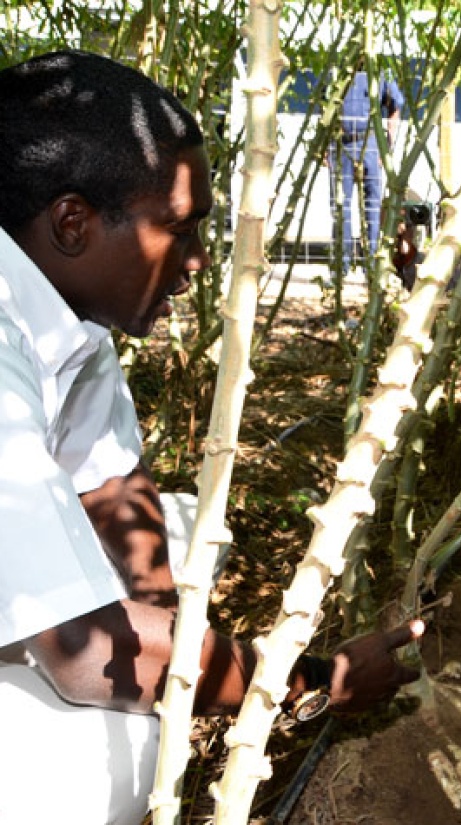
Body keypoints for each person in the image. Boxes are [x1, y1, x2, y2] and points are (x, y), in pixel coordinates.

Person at [0, 50, 420, 824]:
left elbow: (135, 537)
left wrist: (195, 667)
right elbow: (93, 650)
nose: (197, 263)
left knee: (191, 535)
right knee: (106, 747)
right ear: (72, 223)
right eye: (179, 230)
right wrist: (305, 679)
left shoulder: (75, 334)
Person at [329, 68, 403, 270]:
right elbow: (324, 109)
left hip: (371, 142)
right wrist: (325, 147)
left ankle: (371, 263)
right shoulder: (337, 71)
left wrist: (388, 144)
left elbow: (395, 107)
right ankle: (341, 265)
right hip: (341, 144)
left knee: (372, 206)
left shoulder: (381, 71)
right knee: (340, 206)